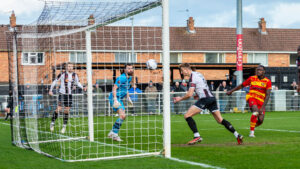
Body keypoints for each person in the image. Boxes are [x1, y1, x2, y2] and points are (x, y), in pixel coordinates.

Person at [173, 63, 243, 145]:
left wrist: (179, 99)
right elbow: (202, 86)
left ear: (185, 69)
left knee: (187, 115)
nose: (181, 73)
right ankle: (237, 135)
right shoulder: (198, 74)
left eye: (181, 71)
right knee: (220, 120)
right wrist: (197, 95)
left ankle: (197, 136)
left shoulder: (192, 77)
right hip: (211, 98)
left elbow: (189, 94)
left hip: (205, 99)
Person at [227, 65, 272, 137]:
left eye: (260, 70)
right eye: (257, 70)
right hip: (251, 97)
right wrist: (231, 91)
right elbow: (242, 85)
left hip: (261, 101)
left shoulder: (267, 81)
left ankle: (252, 125)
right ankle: (252, 132)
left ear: (264, 71)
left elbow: (268, 95)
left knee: (260, 120)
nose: (258, 71)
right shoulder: (252, 78)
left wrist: (262, 107)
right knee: (256, 112)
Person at [49, 62, 85, 133]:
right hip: (62, 94)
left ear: (73, 67)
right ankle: (52, 123)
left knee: (67, 110)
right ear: (66, 67)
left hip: (69, 95)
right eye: (69, 66)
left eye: (71, 66)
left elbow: (78, 83)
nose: (70, 68)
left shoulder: (75, 75)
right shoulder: (62, 74)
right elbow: (55, 81)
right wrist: (50, 90)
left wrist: (83, 87)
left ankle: (64, 126)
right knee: (58, 109)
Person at [108, 64, 134, 141]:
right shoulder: (121, 77)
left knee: (123, 116)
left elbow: (126, 89)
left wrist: (129, 98)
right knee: (122, 116)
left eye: (131, 68)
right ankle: (114, 134)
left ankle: (112, 133)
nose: (130, 70)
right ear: (124, 69)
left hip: (120, 99)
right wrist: (115, 99)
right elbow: (114, 88)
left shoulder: (129, 78)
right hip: (114, 97)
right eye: (128, 68)